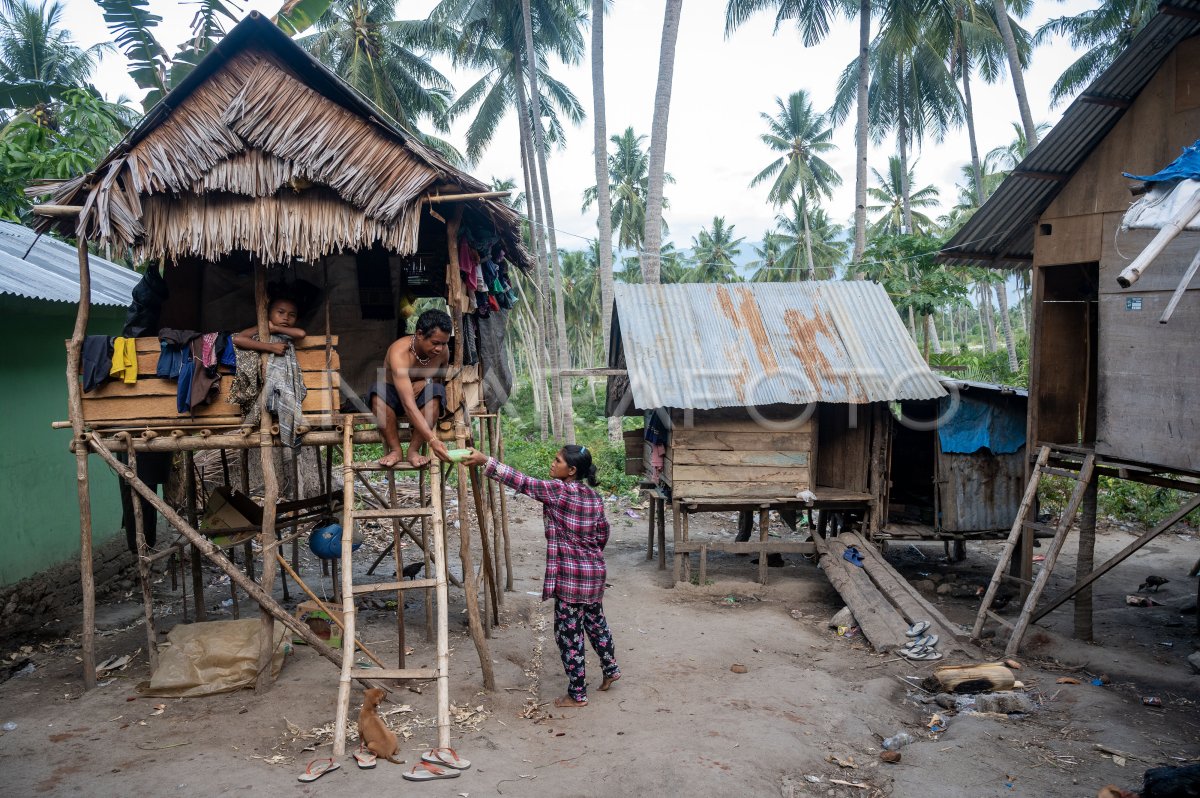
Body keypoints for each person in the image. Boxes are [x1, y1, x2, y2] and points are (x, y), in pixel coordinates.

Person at [463, 445, 620, 707]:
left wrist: (485, 461)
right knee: (596, 624)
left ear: (571, 471)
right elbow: (603, 533)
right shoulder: (593, 497)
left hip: (571, 578)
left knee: (569, 635)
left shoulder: (558, 491)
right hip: (594, 574)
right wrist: (588, 556)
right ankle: (611, 669)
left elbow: (522, 482)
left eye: (557, 460)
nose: (552, 463)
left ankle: (577, 694)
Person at [368, 309, 453, 468]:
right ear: (420, 334)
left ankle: (413, 450)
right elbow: (408, 404)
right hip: (395, 399)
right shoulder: (399, 352)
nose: (440, 349)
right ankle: (395, 450)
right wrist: (433, 440)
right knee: (378, 393)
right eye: (435, 343)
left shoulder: (443, 353)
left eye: (444, 343)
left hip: (422, 398)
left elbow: (439, 380)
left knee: (436, 393)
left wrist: (426, 382)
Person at [231, 296, 307, 355]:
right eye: (281, 312)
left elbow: (301, 333)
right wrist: (271, 347)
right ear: (269, 314)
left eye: (292, 315)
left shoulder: (289, 331)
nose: (286, 318)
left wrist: (276, 328)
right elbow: (238, 339)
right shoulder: (263, 327)